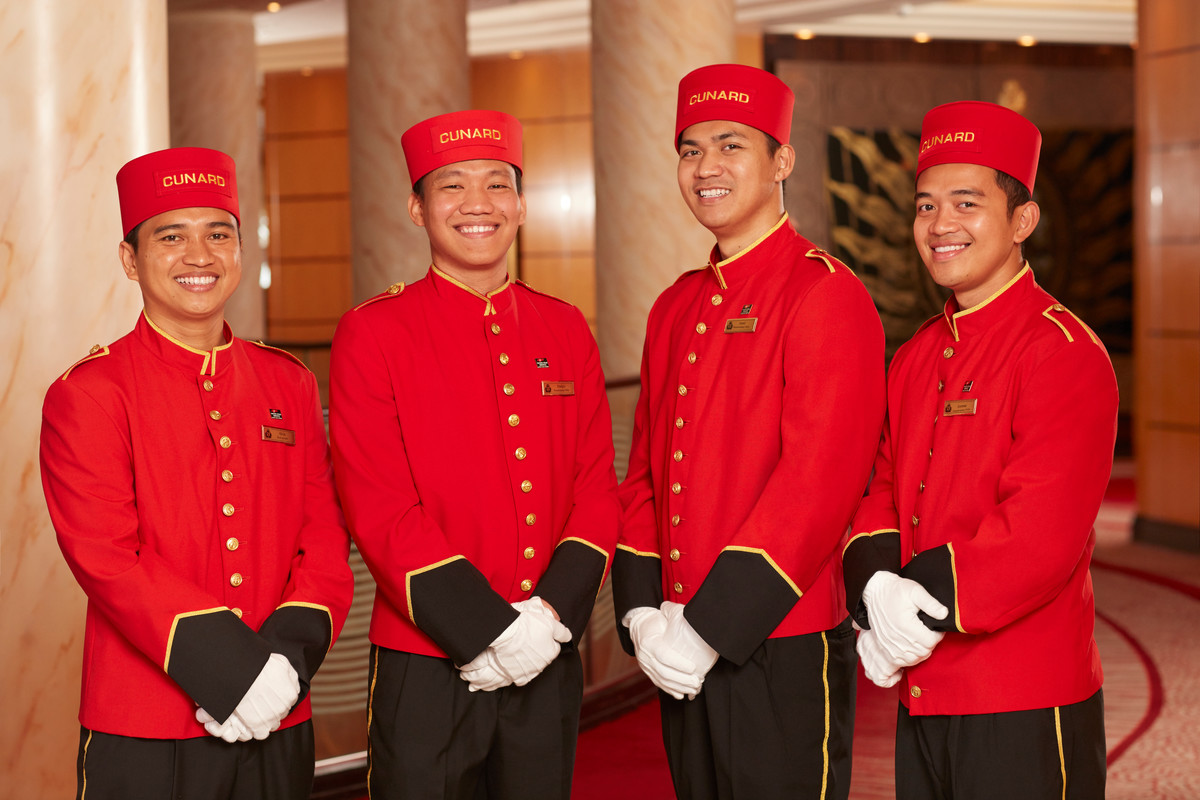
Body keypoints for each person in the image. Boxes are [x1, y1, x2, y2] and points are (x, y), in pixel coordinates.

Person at [40, 146, 355, 800]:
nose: (199, 255)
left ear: (241, 250)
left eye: (218, 233)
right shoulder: (90, 392)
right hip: (145, 724)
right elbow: (108, 557)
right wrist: (236, 672)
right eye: (171, 236)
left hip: (280, 706)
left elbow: (322, 539)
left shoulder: (288, 382)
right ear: (130, 260)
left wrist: (284, 669)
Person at [329, 109, 620, 800]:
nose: (477, 204)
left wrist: (547, 619)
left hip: (546, 651)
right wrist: (488, 630)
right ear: (417, 207)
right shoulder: (374, 333)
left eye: (496, 184)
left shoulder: (564, 326)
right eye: (452, 186)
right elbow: (379, 509)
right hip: (426, 657)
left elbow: (595, 488)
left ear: (520, 205)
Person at [613, 64, 886, 799]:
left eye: (730, 146)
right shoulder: (674, 305)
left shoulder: (824, 292)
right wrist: (642, 610)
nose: (706, 168)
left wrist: (707, 627)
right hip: (674, 634)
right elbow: (644, 473)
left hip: (781, 637)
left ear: (782, 162)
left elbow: (818, 485)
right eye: (691, 149)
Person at [842, 100, 1117, 798]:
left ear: (1023, 221)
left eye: (967, 203)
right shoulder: (914, 356)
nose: (940, 226)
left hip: (1024, 698)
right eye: (926, 205)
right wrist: (874, 588)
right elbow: (878, 485)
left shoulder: (1061, 352)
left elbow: (1039, 535)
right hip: (923, 694)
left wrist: (919, 598)